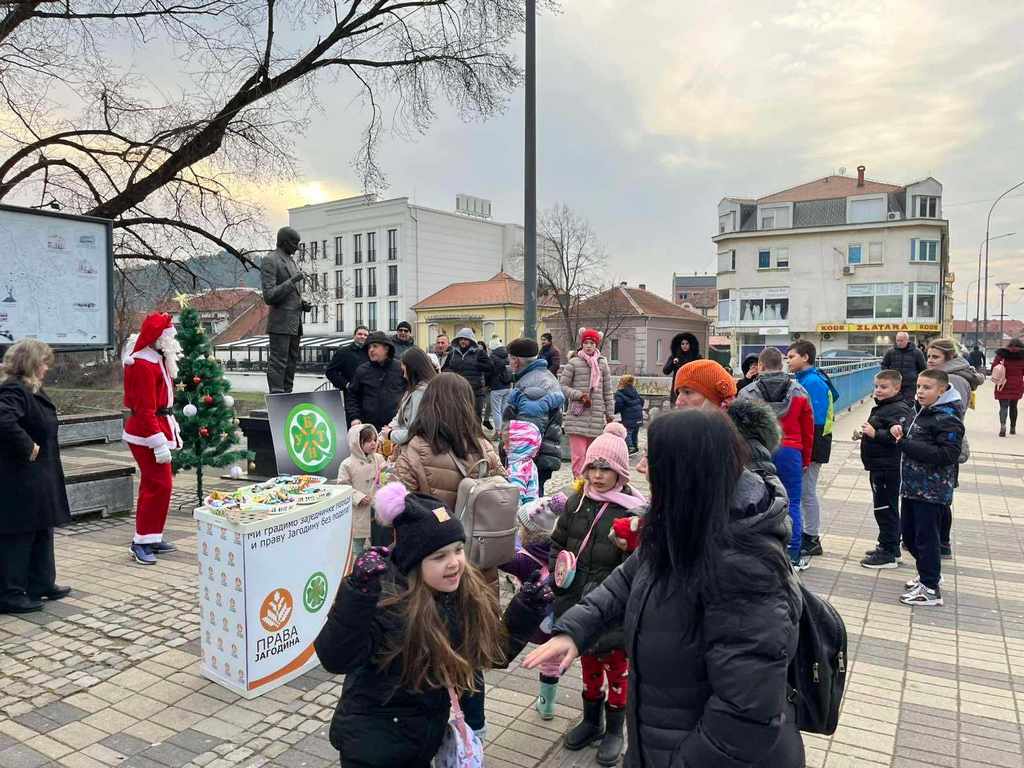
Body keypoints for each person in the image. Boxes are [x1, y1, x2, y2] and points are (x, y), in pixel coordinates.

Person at [524, 409, 804, 768]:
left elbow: (746, 712)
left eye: (653, 462)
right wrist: (576, 630)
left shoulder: (746, 568)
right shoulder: (686, 521)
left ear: (684, 471)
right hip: (659, 739)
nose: (642, 470)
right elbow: (627, 579)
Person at [313, 485, 552, 768]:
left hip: (423, 744)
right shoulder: (385, 600)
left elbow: (488, 655)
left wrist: (525, 609)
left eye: (458, 550)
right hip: (373, 749)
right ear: (414, 562)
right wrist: (356, 595)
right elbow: (335, 657)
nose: (454, 563)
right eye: (439, 557)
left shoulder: (463, 594)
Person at [550, 422, 646, 766]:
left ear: (620, 470)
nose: (598, 475)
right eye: (593, 466)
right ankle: (591, 720)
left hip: (613, 611)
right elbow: (558, 543)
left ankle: (615, 729)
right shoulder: (576, 503)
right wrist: (556, 577)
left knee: (616, 671)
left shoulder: (632, 512)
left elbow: (638, 567)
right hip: (577, 602)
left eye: (606, 468)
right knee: (588, 664)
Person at [0, 340, 72, 613]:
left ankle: (40, 582)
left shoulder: (30, 388)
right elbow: (3, 420)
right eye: (43, 363)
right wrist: (27, 445)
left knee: (42, 527)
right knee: (20, 534)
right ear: (30, 363)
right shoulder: (13, 389)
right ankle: (10, 593)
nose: (46, 369)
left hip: (39, 474)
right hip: (20, 475)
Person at [892, 369, 964, 607]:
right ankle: (929, 575)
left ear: (941, 390)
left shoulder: (948, 417)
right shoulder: (923, 411)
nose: (921, 392)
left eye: (927, 388)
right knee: (910, 536)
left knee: (926, 538)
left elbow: (947, 455)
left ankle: (931, 587)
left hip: (931, 491)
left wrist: (906, 444)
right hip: (912, 487)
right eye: (919, 386)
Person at [737, 347, 814, 570]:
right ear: (781, 365)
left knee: (758, 500)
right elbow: (808, 430)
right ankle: (793, 555)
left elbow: (740, 429)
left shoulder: (748, 392)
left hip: (759, 451)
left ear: (760, 366)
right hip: (792, 451)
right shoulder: (799, 391)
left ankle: (760, 550)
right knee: (793, 503)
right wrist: (806, 458)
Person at [122, 312, 183, 566]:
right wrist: (157, 442)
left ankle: (152, 536)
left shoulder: (158, 359)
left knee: (158, 485)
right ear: (158, 338)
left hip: (158, 426)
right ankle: (141, 542)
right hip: (147, 433)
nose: (173, 340)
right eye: (169, 335)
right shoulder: (143, 365)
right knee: (158, 486)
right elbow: (145, 410)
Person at [499, 493, 566, 721]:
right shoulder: (562, 553)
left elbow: (500, 560)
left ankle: (546, 704)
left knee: (544, 656)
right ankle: (548, 703)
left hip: (535, 618)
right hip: (558, 615)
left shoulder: (523, 560)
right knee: (553, 657)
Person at [671, 359, 782, 479]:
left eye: (688, 392)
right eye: (678, 393)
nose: (678, 401)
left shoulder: (745, 446)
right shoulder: (687, 438)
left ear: (717, 399)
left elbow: (757, 492)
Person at [926, 338, 985, 557]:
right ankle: (937, 540)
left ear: (948, 358)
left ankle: (942, 542)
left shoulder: (953, 379)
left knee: (941, 497)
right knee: (937, 496)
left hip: (945, 443)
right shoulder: (945, 375)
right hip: (938, 440)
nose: (930, 360)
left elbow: (953, 414)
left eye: (935, 357)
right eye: (929, 356)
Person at [856, 370, 915, 569]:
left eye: (884, 387)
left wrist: (874, 434)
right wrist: (864, 433)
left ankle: (888, 551)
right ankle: (889, 546)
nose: (878, 391)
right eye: (876, 387)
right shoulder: (886, 407)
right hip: (879, 465)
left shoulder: (898, 409)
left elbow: (898, 436)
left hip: (887, 467)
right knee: (884, 507)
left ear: (896, 388)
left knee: (885, 508)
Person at [787, 340, 838, 560]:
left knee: (806, 491)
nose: (788, 361)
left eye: (791, 357)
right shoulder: (809, 378)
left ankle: (812, 537)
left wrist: (805, 449)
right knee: (805, 491)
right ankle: (809, 534)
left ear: (805, 357)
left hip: (814, 442)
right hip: (813, 440)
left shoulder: (812, 382)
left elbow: (812, 420)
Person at [504, 337, 565, 496]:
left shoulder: (533, 385)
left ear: (516, 360)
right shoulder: (541, 376)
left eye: (510, 359)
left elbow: (528, 432)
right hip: (541, 455)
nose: (509, 364)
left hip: (530, 460)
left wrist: (515, 461)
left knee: (529, 508)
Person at [261, 225, 312, 393]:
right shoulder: (271, 260)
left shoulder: (290, 261)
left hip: (294, 322)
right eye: (294, 243)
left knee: (291, 361)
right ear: (283, 242)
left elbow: (290, 294)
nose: (297, 248)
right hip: (280, 322)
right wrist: (292, 281)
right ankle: (277, 396)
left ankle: (287, 394)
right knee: (279, 361)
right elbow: (269, 296)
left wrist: (301, 303)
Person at [560, 328, 614, 477]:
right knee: (578, 457)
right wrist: (579, 395)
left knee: (593, 457)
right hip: (577, 417)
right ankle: (579, 486)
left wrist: (610, 414)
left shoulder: (602, 365)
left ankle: (590, 488)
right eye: (586, 342)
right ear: (582, 344)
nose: (588, 346)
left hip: (596, 419)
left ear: (597, 345)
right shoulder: (574, 363)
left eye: (591, 343)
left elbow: (607, 391)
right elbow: (562, 386)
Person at [337, 424, 387, 557]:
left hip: (376, 507)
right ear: (357, 443)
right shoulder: (347, 464)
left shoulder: (379, 458)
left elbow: (384, 478)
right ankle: (358, 568)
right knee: (358, 543)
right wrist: (358, 496)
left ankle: (378, 566)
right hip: (359, 510)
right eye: (368, 441)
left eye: (375, 440)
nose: (373, 444)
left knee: (380, 540)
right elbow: (343, 486)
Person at [345, 332, 405, 431]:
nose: (371, 350)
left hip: (395, 428)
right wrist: (355, 417)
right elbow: (352, 396)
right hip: (369, 428)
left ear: (386, 348)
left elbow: (410, 393)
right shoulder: (362, 370)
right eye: (369, 347)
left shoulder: (401, 368)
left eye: (375, 346)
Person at [382, 347, 437, 454]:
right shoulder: (427, 388)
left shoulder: (420, 393)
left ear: (412, 368)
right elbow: (401, 416)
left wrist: (390, 434)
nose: (403, 375)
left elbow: (413, 431)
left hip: (418, 452)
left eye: (404, 370)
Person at [442, 328, 493, 420]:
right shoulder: (452, 353)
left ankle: (476, 434)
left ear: (471, 340)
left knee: (475, 418)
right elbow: (445, 368)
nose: (462, 341)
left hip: (475, 391)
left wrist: (475, 365)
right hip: (457, 391)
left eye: (465, 339)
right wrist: (451, 372)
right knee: (459, 418)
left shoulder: (479, 353)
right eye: (461, 339)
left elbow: (490, 366)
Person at [882, 331, 927, 403]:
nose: (899, 342)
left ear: (907, 340)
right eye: (898, 340)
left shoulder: (917, 352)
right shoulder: (890, 352)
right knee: (893, 404)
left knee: (908, 405)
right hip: (894, 384)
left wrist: (917, 380)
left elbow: (923, 369)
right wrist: (888, 376)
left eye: (901, 340)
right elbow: (884, 365)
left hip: (910, 385)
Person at [992, 337, 1024, 437]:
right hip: (1017, 384)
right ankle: (1013, 428)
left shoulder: (1002, 355)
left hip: (1002, 383)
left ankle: (1003, 426)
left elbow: (994, 367)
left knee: (1003, 406)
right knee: (1014, 406)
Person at [505, 420, 543, 504]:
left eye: (507, 443)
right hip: (530, 510)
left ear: (519, 445)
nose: (504, 447)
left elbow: (515, 498)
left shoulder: (518, 468)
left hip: (519, 513)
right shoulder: (529, 463)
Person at [325, 325, 370, 391]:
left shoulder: (370, 352)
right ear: (354, 336)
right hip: (351, 395)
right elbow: (330, 372)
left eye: (365, 335)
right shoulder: (343, 352)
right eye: (360, 334)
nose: (362, 336)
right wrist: (346, 384)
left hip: (368, 394)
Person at [662, 332, 701, 403]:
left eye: (687, 343)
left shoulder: (696, 357)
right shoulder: (674, 356)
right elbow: (665, 371)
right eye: (682, 344)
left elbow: (701, 371)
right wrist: (672, 363)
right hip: (678, 387)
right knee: (676, 407)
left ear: (691, 344)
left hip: (692, 387)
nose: (684, 346)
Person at [613, 374, 644, 454]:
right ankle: (635, 446)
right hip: (638, 415)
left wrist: (614, 411)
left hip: (628, 416)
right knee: (635, 431)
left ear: (622, 382)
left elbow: (619, 405)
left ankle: (630, 447)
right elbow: (641, 400)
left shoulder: (619, 393)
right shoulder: (634, 390)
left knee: (627, 432)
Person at [487, 344, 514, 434]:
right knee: (504, 410)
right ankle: (505, 431)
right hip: (507, 386)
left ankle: (498, 432)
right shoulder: (507, 356)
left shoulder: (492, 357)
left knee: (496, 411)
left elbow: (489, 372)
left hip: (496, 387)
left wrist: (487, 384)